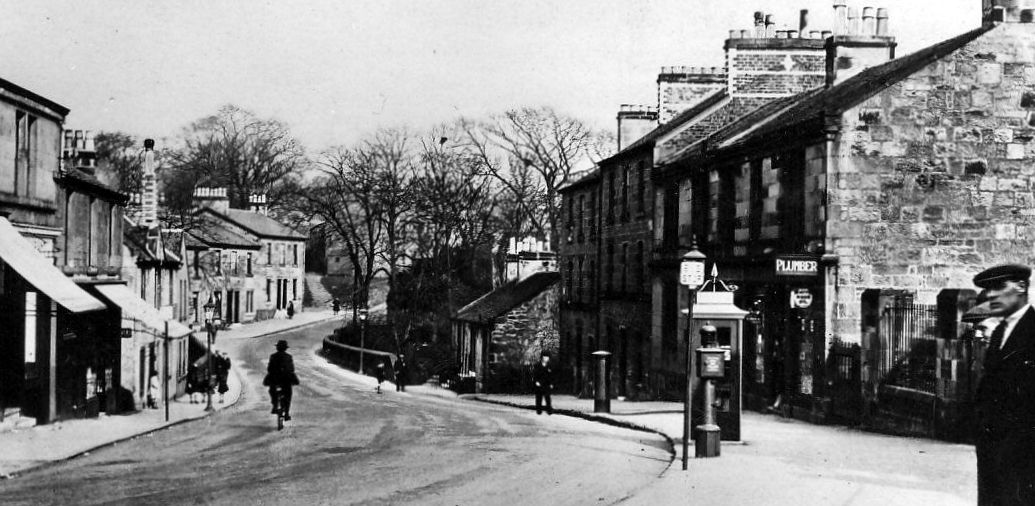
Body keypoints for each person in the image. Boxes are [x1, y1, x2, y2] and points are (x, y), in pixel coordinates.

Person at [973, 264, 1035, 505]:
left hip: (1024, 458)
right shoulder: (999, 331)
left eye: (999, 287)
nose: (990, 295)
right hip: (993, 453)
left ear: (1021, 287)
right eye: (988, 289)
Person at [264, 340, 299, 421]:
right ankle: (286, 414)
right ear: (285, 348)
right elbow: (292, 369)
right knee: (288, 396)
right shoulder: (289, 357)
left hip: (275, 379)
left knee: (272, 390)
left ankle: (275, 406)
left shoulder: (273, 356)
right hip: (286, 380)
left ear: (277, 348)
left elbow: (269, 369)